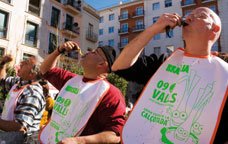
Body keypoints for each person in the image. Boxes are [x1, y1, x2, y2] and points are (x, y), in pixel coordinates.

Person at [112, 7, 228, 144]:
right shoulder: (163, 62)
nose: (189, 17)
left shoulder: (224, 75)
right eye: (189, 14)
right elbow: (119, 66)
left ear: (215, 29)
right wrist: (154, 29)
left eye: (201, 16)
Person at [39, 42, 126, 144]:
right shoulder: (71, 80)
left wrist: (79, 141)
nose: (89, 52)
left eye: (95, 52)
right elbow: (45, 70)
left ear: (102, 64)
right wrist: (59, 50)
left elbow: (115, 135)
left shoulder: (111, 94)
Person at [0, 55, 46, 143]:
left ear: (32, 74)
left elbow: (19, 127)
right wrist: (3, 63)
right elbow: (2, 80)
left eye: (26, 63)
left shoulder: (33, 93)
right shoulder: (18, 82)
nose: (21, 63)